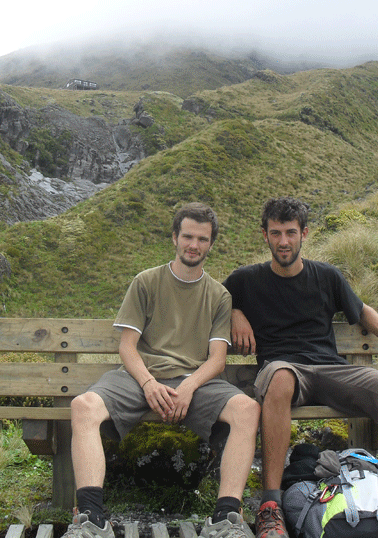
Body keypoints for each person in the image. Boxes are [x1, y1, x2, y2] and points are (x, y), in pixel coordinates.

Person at [223, 197, 378, 538]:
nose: (283, 241)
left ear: (304, 234)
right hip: (284, 370)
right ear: (265, 235)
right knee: (281, 377)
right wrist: (234, 312)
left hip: (331, 369)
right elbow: (214, 303)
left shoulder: (326, 276)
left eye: (290, 233)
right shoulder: (245, 280)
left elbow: (361, 310)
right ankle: (271, 507)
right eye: (276, 233)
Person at [65, 202, 260, 538]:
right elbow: (127, 347)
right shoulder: (146, 282)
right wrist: (148, 383)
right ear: (174, 237)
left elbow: (217, 359)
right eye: (187, 237)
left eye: (202, 239)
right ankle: (91, 519)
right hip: (140, 376)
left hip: (194, 380)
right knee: (83, 406)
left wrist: (188, 387)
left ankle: (226, 517)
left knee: (248, 409)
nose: (193, 245)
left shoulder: (219, 295)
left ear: (211, 244)